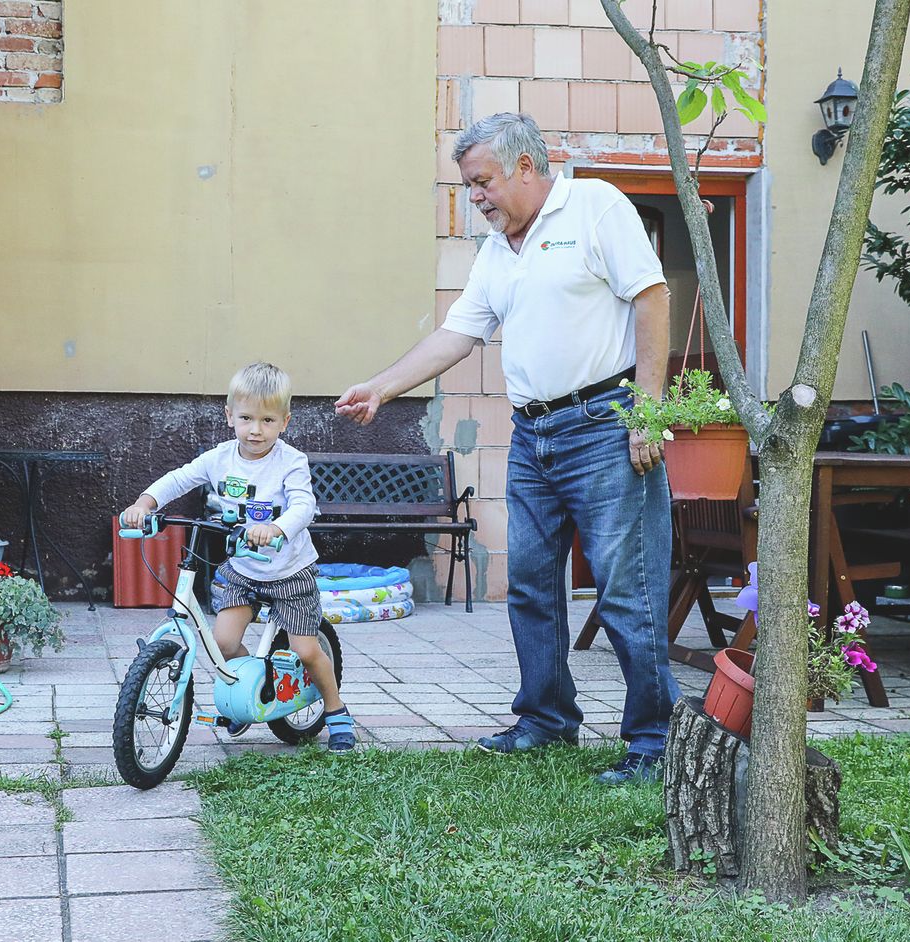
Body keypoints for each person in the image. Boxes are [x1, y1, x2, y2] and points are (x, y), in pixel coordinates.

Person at [335, 113, 679, 783]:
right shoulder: (496, 252)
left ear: (527, 167)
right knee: (529, 585)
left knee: (625, 590)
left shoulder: (595, 206)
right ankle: (548, 721)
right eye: (469, 187)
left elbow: (652, 297)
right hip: (534, 435)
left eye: (484, 182)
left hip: (605, 425)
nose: (478, 198)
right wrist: (381, 387)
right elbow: (456, 335)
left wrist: (649, 411)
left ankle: (654, 741)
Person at [122, 362, 356, 753]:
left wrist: (277, 528)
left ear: (285, 422)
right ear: (229, 416)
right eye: (246, 418)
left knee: (306, 650)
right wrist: (145, 502)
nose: (255, 430)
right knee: (224, 643)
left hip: (288, 571)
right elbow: (180, 478)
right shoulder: (220, 458)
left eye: (267, 420)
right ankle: (252, 686)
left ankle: (335, 710)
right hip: (244, 570)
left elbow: (303, 505)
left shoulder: (290, 461)